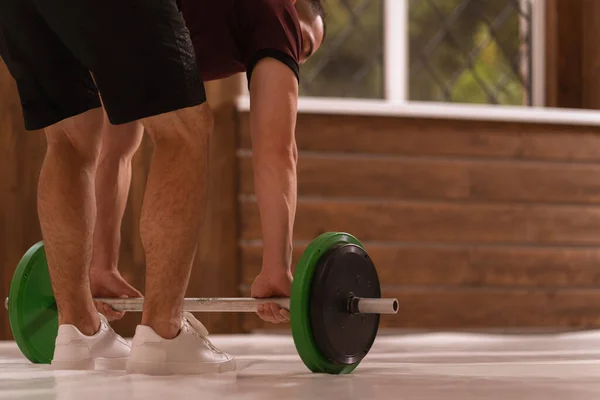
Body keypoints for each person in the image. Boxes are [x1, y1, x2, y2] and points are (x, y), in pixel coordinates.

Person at [0, 0, 325, 375]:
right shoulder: (278, 13)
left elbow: (117, 146)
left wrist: (102, 264)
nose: (297, 57)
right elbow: (278, 150)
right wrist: (276, 267)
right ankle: (164, 333)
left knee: (68, 139)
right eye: (302, 45)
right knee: (186, 132)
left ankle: (78, 332)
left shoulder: (195, 28)